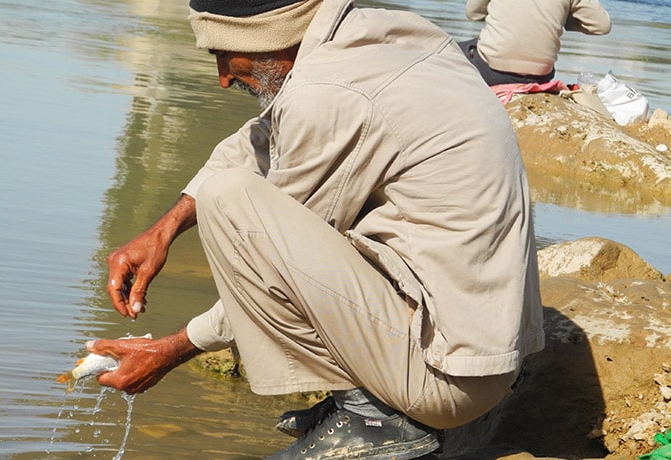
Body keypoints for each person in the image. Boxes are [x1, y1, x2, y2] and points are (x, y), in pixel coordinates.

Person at [88, 0, 545, 458]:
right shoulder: (379, 33)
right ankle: (364, 398)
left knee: (230, 201)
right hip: (485, 352)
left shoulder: (327, 95)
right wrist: (166, 228)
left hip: (447, 381)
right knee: (232, 197)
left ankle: (376, 418)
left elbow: (271, 268)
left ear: (263, 39)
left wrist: (171, 349)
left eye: (225, 56)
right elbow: (264, 136)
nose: (224, 77)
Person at [459, 0, 612, 86]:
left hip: (493, 72)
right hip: (541, 76)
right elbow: (602, 26)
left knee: (452, 50)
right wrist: (564, 20)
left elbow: (473, 13)